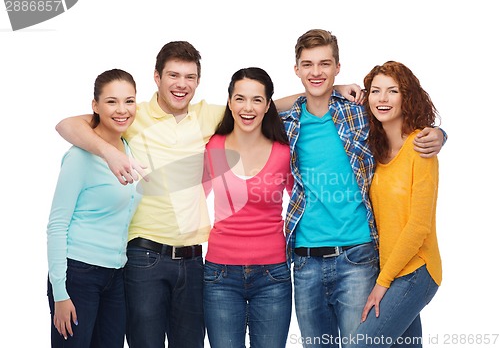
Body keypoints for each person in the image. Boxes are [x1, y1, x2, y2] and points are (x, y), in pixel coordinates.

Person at [54, 41, 364, 348]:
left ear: (198, 82)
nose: (181, 84)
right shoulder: (134, 114)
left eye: (189, 77)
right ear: (157, 78)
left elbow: (263, 104)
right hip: (145, 255)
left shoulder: (210, 118)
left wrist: (330, 90)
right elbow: (67, 125)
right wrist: (110, 153)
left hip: (196, 260)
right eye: (173, 76)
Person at [279, 29, 446, 348]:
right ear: (296, 69)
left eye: (325, 64)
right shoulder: (288, 121)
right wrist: (327, 90)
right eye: (308, 65)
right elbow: (255, 107)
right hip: (304, 261)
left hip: (357, 256)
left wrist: (439, 134)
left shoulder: (359, 112)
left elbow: (403, 120)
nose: (317, 72)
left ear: (338, 66)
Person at [46, 69, 141, 348]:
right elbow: (56, 225)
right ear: (95, 106)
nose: (122, 110)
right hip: (78, 275)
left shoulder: (129, 147)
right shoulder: (79, 156)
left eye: (129, 101)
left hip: (116, 275)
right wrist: (60, 293)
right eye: (111, 102)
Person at [352, 61, 441, 348]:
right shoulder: (375, 151)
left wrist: (383, 282)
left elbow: (418, 226)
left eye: (392, 91)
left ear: (407, 97)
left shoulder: (421, 148)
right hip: (390, 269)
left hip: (416, 271)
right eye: (376, 91)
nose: (383, 98)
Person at [202, 67, 293, 348]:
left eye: (257, 100)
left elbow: (305, 204)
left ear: (268, 106)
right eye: (240, 99)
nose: (247, 107)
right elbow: (191, 199)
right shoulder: (213, 147)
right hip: (219, 275)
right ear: (229, 103)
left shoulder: (283, 152)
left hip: (273, 275)